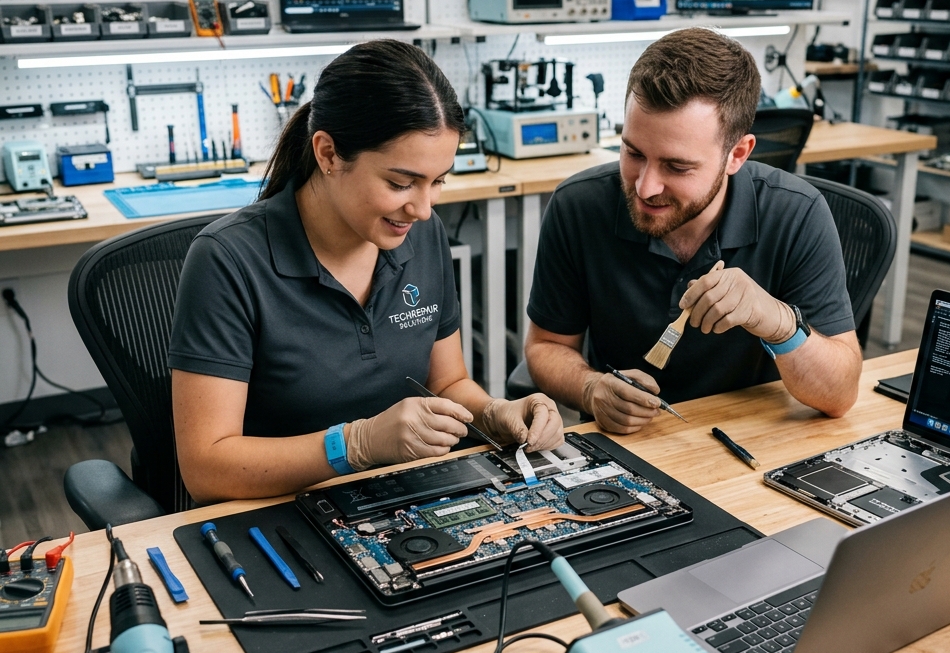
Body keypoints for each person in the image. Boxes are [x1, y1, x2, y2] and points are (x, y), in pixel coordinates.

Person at [169, 40, 562, 503]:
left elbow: (447, 383)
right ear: (328, 154)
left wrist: (493, 413)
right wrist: (354, 445)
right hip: (279, 513)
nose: (422, 208)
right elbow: (206, 469)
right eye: (400, 183)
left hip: (406, 497)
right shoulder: (227, 260)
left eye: (438, 181)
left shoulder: (423, 233)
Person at [524, 27, 862, 435]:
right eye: (633, 153)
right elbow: (546, 346)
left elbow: (839, 394)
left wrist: (778, 322)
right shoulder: (578, 206)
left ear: (737, 154)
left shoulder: (797, 214)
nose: (645, 187)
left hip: (753, 440)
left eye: (677, 166)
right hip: (626, 443)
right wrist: (590, 387)